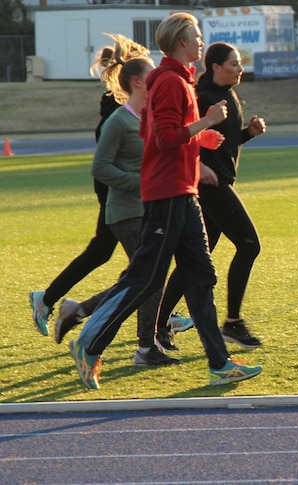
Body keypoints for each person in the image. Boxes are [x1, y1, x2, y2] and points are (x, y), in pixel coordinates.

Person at [68, 12, 263, 389]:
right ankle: (89, 342)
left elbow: (152, 131)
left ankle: (219, 363)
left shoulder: (176, 80)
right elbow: (162, 139)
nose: (202, 42)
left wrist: (198, 143)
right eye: (197, 36)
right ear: (181, 43)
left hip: (182, 189)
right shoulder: (172, 81)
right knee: (147, 277)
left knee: (201, 275)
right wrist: (205, 123)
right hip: (169, 193)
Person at [28, 34, 191, 339]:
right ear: (137, 79)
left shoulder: (135, 104)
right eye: (151, 72)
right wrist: (137, 182)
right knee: (144, 273)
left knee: (119, 261)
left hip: (133, 195)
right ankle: (137, 327)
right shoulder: (118, 109)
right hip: (121, 196)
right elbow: (107, 158)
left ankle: (63, 304)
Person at [156, 41, 266, 350]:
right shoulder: (202, 97)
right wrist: (200, 165)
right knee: (249, 244)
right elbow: (180, 139)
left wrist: (248, 134)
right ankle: (232, 323)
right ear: (216, 67)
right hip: (210, 188)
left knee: (194, 260)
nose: (240, 68)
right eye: (234, 64)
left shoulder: (228, 95)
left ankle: (159, 324)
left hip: (220, 183)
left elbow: (222, 142)